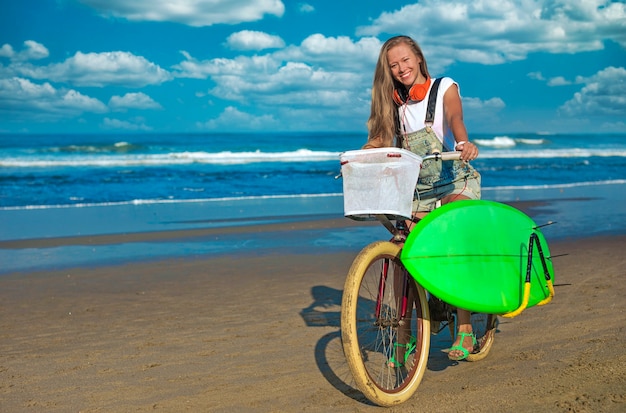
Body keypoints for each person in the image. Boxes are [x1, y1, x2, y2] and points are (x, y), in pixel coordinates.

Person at [364, 35, 481, 362]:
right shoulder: (393, 101)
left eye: (405, 60)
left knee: (454, 239)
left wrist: (463, 143)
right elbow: (378, 138)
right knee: (406, 257)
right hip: (418, 188)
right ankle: (404, 338)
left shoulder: (444, 87)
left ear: (418, 57)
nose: (401, 68)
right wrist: (361, 156)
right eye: (393, 65)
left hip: (454, 177)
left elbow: (456, 118)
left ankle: (466, 328)